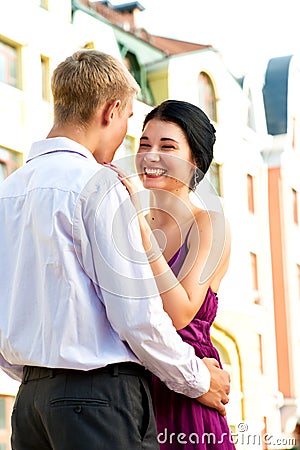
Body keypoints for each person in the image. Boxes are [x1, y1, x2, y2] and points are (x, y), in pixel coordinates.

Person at [0, 51, 230, 450]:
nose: (137, 148)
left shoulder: (9, 191)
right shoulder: (100, 188)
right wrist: (199, 379)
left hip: (31, 404)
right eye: (133, 132)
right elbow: (136, 317)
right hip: (102, 398)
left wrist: (39, 377)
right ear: (112, 110)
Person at [110, 99, 235, 449]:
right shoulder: (125, 219)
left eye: (167, 147)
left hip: (190, 392)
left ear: (194, 160)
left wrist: (143, 231)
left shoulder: (208, 223)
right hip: (130, 390)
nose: (151, 156)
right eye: (144, 144)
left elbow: (180, 313)